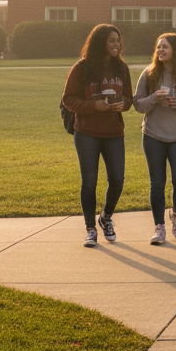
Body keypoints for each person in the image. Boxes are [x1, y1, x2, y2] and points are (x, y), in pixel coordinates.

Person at [62, 24, 134, 248]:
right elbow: (68, 99)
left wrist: (123, 104)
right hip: (87, 133)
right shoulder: (82, 68)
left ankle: (105, 218)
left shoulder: (121, 68)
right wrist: (95, 105)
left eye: (118, 41)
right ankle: (90, 229)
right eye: (112, 41)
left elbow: (129, 99)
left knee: (118, 180)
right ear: (100, 42)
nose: (116, 45)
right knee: (89, 183)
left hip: (114, 132)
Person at [134, 33, 176, 244]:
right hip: (153, 135)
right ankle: (159, 227)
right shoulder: (149, 74)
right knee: (157, 183)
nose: (160, 50)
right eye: (158, 47)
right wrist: (153, 99)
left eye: (165, 47)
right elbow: (137, 104)